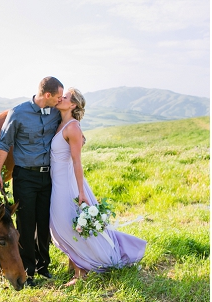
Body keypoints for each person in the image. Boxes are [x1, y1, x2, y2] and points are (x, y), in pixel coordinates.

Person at [48, 87, 146, 287]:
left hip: (68, 186)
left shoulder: (72, 127)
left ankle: (81, 274)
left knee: (67, 227)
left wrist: (81, 193)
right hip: (57, 183)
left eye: (64, 97)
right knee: (63, 226)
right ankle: (75, 263)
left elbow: (77, 162)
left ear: (73, 104)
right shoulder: (60, 123)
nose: (60, 98)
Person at [0, 76, 63, 287]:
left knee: (44, 222)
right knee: (26, 222)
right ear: (47, 95)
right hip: (25, 177)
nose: (61, 100)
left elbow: (69, 126)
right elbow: (4, 144)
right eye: (58, 96)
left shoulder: (57, 112)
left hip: (49, 175)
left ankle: (44, 266)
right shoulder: (18, 113)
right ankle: (28, 270)